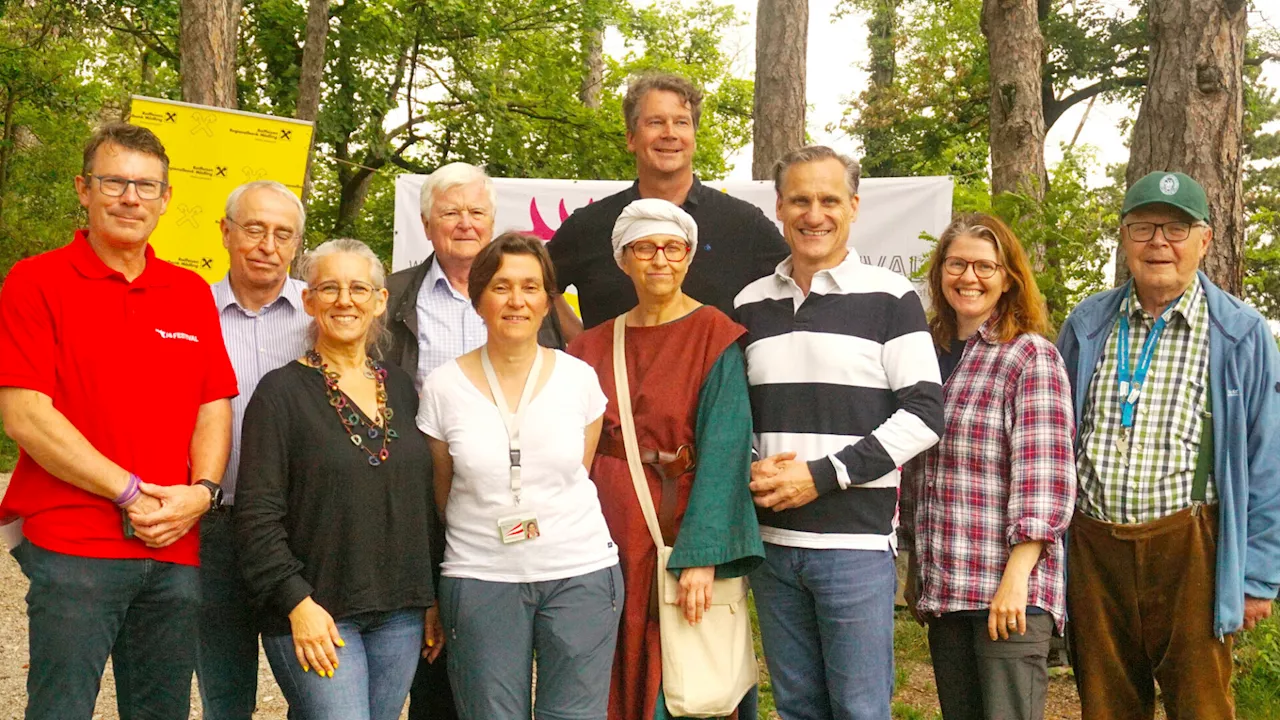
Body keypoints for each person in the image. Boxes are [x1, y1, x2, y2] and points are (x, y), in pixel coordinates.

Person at [0, 122, 237, 719]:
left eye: (146, 186)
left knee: (160, 712)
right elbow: (25, 414)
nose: (131, 198)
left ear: (165, 199)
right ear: (84, 189)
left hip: (172, 545)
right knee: (61, 710)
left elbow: (213, 404)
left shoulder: (187, 293)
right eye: (115, 182)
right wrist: (128, 490)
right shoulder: (35, 281)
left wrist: (201, 494)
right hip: (74, 543)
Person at [1057, 171, 1280, 720]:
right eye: (1144, 226)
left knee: (1201, 705)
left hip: (1194, 549)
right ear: (1124, 238)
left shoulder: (1242, 333)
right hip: (1094, 548)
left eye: (1177, 228)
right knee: (1106, 706)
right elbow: (1055, 434)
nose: (1160, 242)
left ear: (1205, 240)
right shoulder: (1087, 322)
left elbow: (1268, 459)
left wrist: (1257, 577)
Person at [734, 145, 944, 720]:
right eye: (800, 200)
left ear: (853, 207)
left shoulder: (891, 297)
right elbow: (738, 415)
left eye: (829, 199)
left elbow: (926, 413)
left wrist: (821, 478)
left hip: (853, 548)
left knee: (859, 710)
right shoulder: (750, 303)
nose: (814, 214)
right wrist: (753, 461)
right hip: (774, 550)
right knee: (798, 708)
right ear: (779, 208)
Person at [568, 199, 764, 720]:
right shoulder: (588, 348)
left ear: (688, 256)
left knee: (683, 672)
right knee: (605, 660)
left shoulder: (715, 334)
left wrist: (702, 555)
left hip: (677, 530)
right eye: (645, 248)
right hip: (603, 532)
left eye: (672, 247)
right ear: (623, 259)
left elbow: (725, 448)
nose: (660, 259)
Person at [385, 161, 564, 720]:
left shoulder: (539, 303)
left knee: (513, 660)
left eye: (476, 211)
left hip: (519, 505)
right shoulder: (391, 299)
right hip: (422, 495)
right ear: (425, 221)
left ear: (492, 220)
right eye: (450, 211)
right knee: (434, 653)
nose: (464, 222)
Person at [417, 232, 622, 720]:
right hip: (482, 577)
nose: (516, 301)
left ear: (548, 300)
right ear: (478, 296)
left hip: (579, 573)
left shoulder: (579, 379)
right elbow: (442, 493)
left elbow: (579, 474)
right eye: (502, 286)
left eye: (531, 287)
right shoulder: (443, 387)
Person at [234, 238, 438, 720]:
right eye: (329, 287)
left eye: (359, 288)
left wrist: (430, 597)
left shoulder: (402, 388)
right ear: (308, 299)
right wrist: (296, 603)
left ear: (380, 300)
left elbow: (422, 502)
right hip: (317, 609)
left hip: (400, 611)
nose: (345, 300)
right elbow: (256, 514)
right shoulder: (279, 392)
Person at [899, 213, 1076, 720]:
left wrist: (1016, 578)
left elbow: (1044, 476)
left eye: (984, 266)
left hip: (1009, 590)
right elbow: (918, 473)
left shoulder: (1028, 356)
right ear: (940, 273)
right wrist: (916, 572)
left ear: (1008, 278)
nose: (968, 277)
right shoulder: (924, 357)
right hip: (947, 587)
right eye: (956, 264)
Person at [549, 71, 788, 333]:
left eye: (681, 123)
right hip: (613, 374)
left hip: (717, 375)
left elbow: (798, 285)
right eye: (655, 122)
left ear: (694, 138)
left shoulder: (743, 224)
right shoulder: (588, 226)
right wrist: (583, 346)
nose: (669, 133)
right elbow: (536, 286)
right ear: (631, 138)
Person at [198, 180, 311, 720]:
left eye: (282, 234)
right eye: (255, 229)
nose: (268, 244)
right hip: (214, 523)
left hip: (301, 528)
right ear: (225, 233)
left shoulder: (321, 316)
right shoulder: (188, 312)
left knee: (316, 688)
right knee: (224, 689)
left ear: (296, 246)